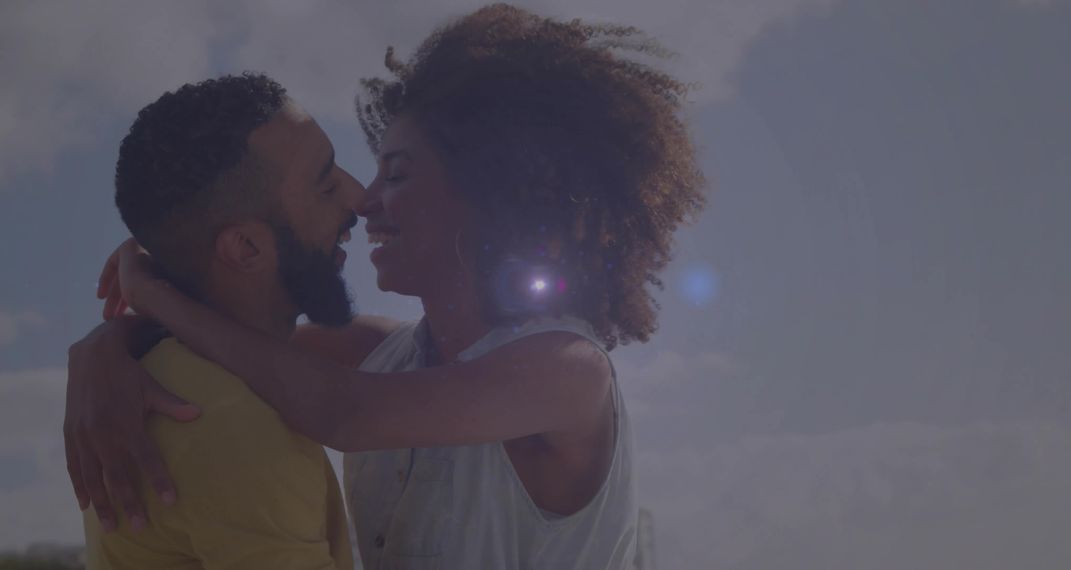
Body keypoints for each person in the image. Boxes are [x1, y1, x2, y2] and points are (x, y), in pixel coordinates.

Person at [66, 5, 706, 569]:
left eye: (395, 174)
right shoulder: (375, 355)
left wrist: (153, 297)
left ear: (489, 195)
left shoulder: (568, 373)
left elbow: (344, 413)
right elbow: (233, 338)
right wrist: (110, 344)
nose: (365, 200)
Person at [76, 73, 361, 569]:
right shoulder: (231, 420)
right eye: (326, 184)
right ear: (246, 248)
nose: (357, 199)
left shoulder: (173, 373)